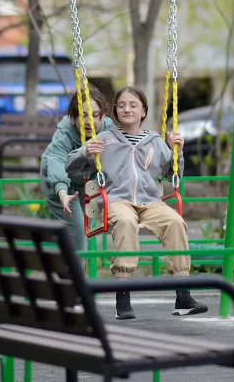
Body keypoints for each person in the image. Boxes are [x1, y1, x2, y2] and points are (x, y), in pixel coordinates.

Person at [66, 86, 207, 320]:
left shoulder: (155, 141)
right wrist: (85, 152)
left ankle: (183, 295)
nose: (127, 109)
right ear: (115, 111)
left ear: (143, 111)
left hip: (149, 201)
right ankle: (122, 295)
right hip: (116, 200)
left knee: (175, 222)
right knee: (125, 221)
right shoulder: (105, 139)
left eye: (133, 105)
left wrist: (178, 152)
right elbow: (70, 165)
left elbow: (174, 175)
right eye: (121, 105)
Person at [40, 86, 115, 253]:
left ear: (103, 115)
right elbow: (56, 160)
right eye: (83, 115)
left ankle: (76, 268)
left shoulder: (108, 129)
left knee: (88, 233)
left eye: (95, 115)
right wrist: (62, 193)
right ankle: (73, 270)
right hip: (61, 184)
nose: (89, 121)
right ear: (73, 117)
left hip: (88, 182)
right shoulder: (65, 131)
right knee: (78, 233)